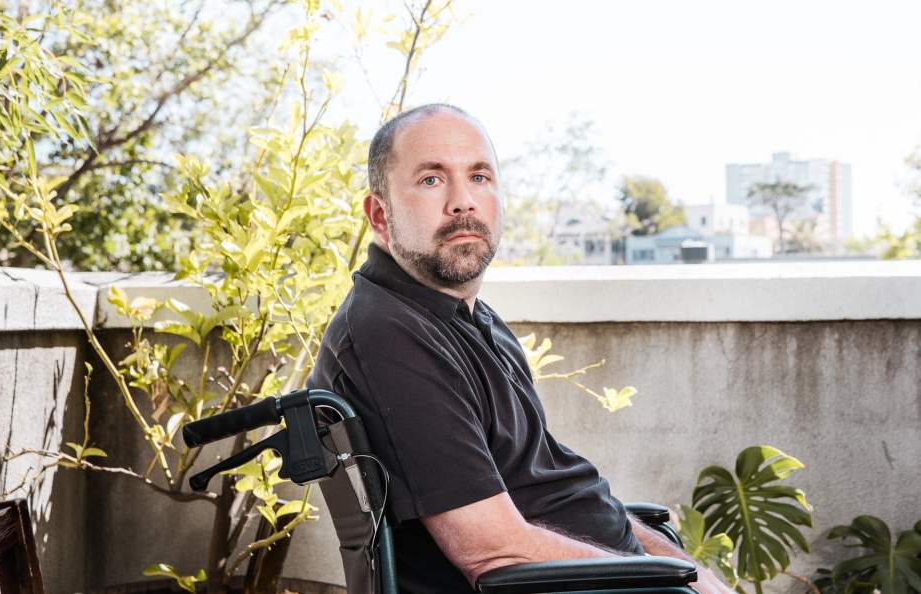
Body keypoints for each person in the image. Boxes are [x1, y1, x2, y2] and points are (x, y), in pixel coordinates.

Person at [307, 104, 731, 594]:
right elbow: (492, 552)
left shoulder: (469, 320)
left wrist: (681, 566)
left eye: (479, 177)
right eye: (431, 179)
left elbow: (549, 494)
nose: (463, 202)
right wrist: (672, 580)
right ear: (381, 216)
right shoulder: (389, 335)